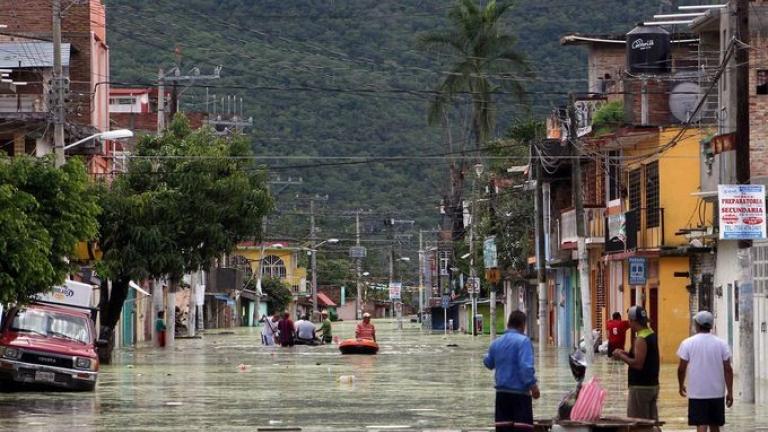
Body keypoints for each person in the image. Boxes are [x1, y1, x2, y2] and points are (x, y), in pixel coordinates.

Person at [483, 310, 540, 432]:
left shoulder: (496, 343)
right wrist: (533, 387)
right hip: (520, 396)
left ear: (508, 324)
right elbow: (526, 367)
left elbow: (488, 363)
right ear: (522, 325)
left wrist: (487, 355)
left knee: (503, 429)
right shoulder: (524, 341)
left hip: (501, 396)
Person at [677, 310, 733, 432]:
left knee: (701, 424)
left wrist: (681, 385)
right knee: (715, 425)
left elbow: (681, 369)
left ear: (696, 324)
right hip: (717, 392)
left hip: (697, 393)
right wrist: (730, 392)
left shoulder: (687, 343)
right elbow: (728, 369)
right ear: (711, 325)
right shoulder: (722, 344)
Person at [612, 305, 660, 421]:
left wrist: (620, 356)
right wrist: (625, 353)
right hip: (652, 385)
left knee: (638, 424)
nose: (629, 323)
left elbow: (638, 364)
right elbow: (645, 357)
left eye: (629, 320)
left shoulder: (641, 339)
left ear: (633, 321)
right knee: (652, 423)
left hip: (640, 388)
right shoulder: (650, 334)